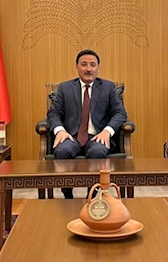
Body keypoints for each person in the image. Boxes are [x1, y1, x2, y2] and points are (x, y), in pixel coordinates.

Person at [47, 49, 127, 198]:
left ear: (98, 67)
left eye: (92, 65)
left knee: (98, 151)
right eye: (84, 64)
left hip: (97, 136)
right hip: (71, 136)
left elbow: (120, 113)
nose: (88, 69)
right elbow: (53, 113)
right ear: (77, 67)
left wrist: (107, 132)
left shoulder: (108, 87)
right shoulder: (64, 88)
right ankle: (67, 195)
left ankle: (92, 195)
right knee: (62, 150)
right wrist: (60, 130)